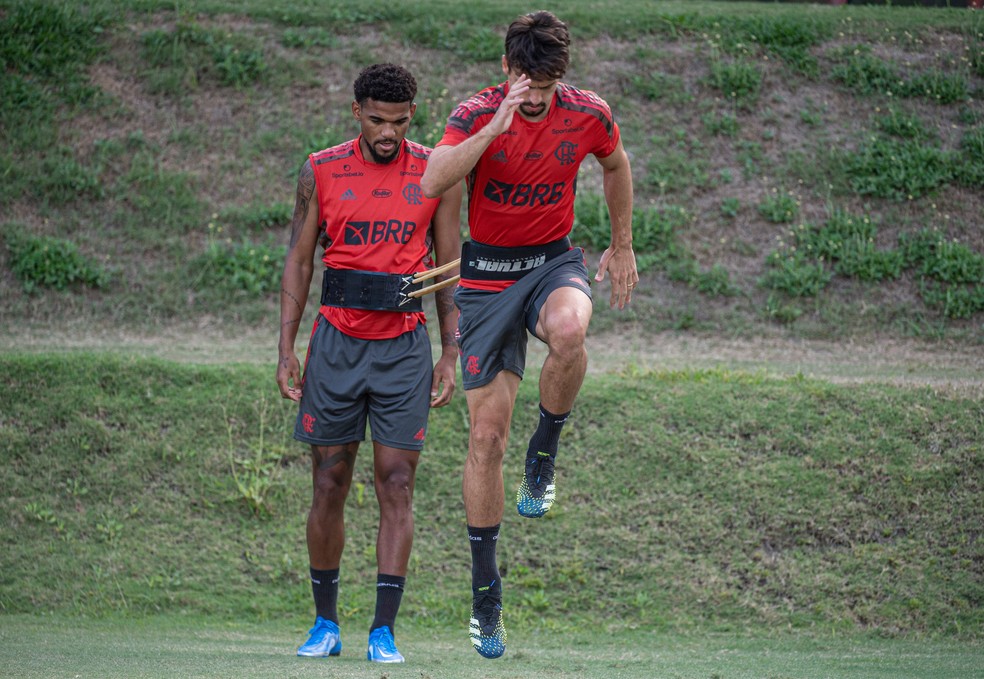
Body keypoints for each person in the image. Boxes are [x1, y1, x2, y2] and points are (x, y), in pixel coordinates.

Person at [420, 10, 637, 659]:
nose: (537, 99)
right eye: (527, 84)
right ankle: (486, 594)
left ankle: (544, 453)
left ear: (561, 78)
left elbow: (616, 163)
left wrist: (622, 244)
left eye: (548, 87)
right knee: (486, 434)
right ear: (507, 69)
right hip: (486, 274)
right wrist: (497, 125)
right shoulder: (476, 112)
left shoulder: (587, 112)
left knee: (572, 328)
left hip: (552, 261)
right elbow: (433, 179)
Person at [276, 63, 461, 665]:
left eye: (400, 122)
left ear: (414, 114)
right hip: (334, 346)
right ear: (356, 112)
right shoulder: (320, 169)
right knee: (328, 481)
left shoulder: (436, 171)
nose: (388, 133)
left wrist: (452, 349)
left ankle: (383, 630)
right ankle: (325, 624)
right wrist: (286, 346)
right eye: (378, 121)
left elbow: (451, 268)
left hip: (404, 349)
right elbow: (301, 261)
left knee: (397, 484)